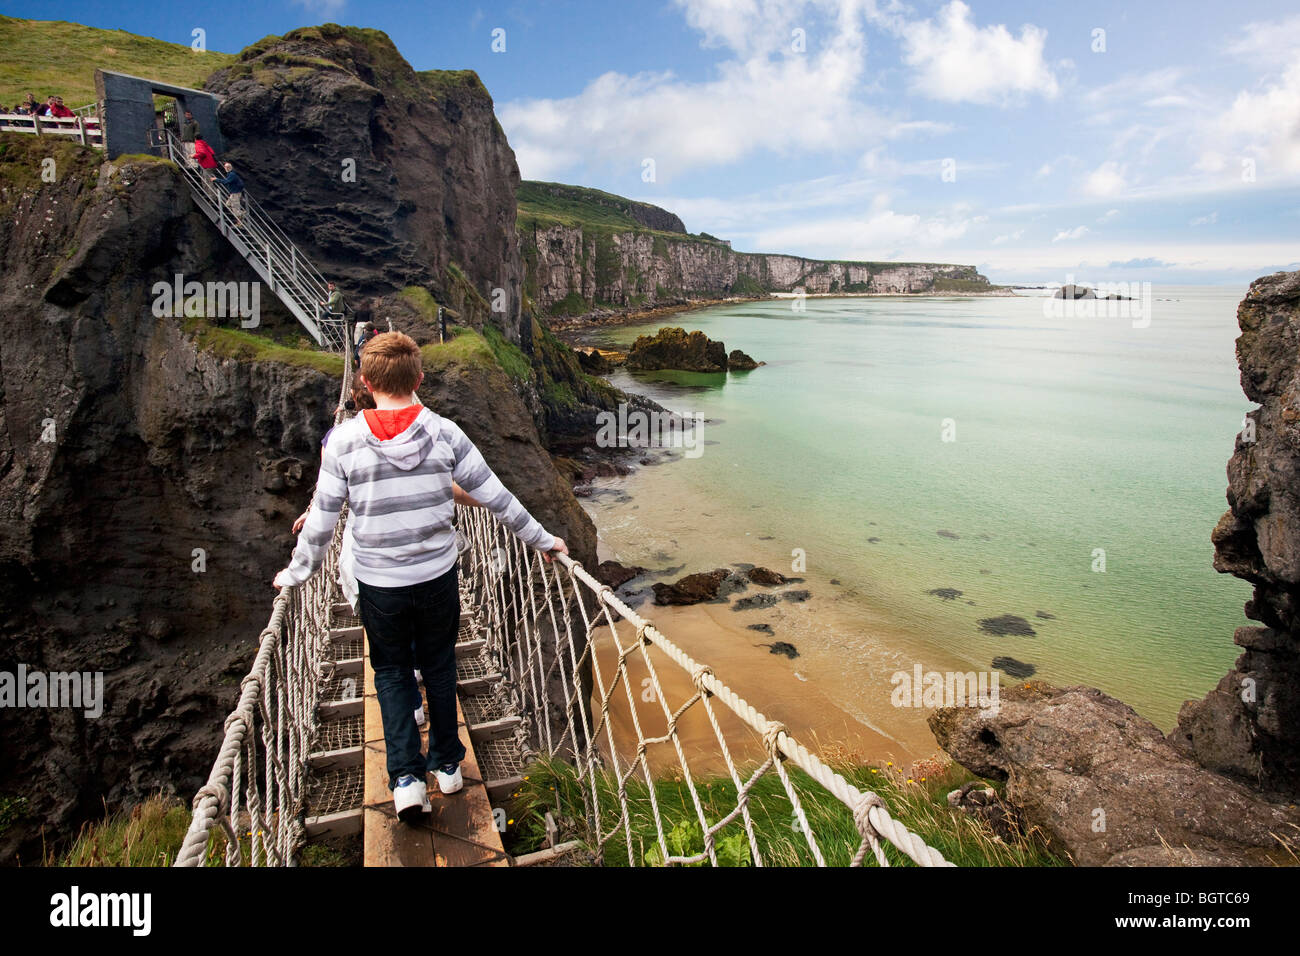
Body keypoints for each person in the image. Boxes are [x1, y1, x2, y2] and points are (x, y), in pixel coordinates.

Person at [274, 332, 566, 821]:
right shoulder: (447, 433)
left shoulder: (343, 441)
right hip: (436, 579)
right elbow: (498, 497)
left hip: (378, 584)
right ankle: (449, 768)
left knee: (389, 674)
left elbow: (322, 522)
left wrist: (297, 574)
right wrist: (544, 540)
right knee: (439, 667)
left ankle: (407, 780)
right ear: (420, 378)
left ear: (365, 382)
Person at [210, 162, 245, 227]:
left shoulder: (231, 175)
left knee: (235, 208)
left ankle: (240, 223)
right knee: (228, 205)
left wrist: (216, 179)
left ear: (228, 168)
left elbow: (226, 182)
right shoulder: (231, 174)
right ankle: (240, 213)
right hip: (236, 193)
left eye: (225, 167)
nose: (224, 168)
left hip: (235, 193)